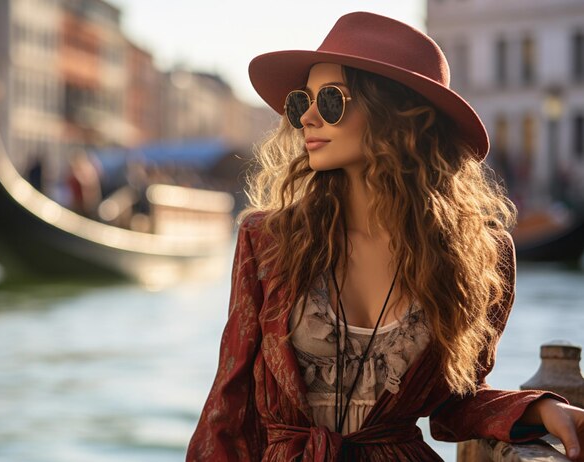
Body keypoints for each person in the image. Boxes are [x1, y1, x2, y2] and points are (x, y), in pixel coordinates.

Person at [187, 12, 584, 461]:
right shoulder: (268, 239)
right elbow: (228, 407)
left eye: (332, 100)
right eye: (303, 101)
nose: (309, 118)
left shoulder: (482, 257)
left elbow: (453, 403)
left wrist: (538, 408)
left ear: (397, 115)